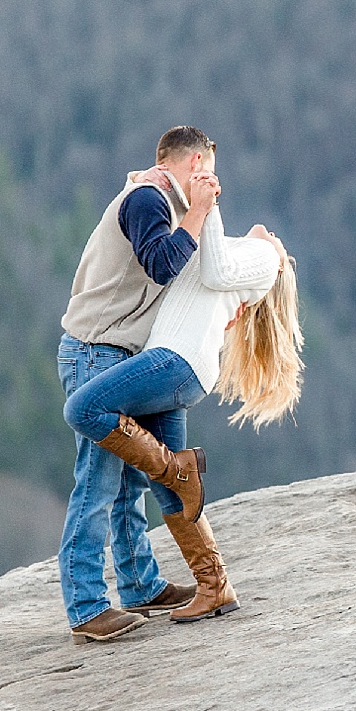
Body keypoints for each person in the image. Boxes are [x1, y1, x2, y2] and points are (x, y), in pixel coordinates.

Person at [63, 188, 301, 623]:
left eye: (277, 237)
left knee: (82, 409)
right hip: (173, 364)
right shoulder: (234, 252)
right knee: (165, 487)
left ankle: (176, 469)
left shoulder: (265, 259)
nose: (271, 231)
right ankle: (215, 586)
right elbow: (177, 257)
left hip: (174, 362)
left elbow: (215, 268)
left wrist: (205, 205)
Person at [55, 126, 220, 644]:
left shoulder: (158, 200)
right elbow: (162, 262)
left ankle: (140, 586)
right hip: (95, 352)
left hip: (119, 352)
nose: (214, 184)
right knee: (99, 481)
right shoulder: (148, 198)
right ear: (194, 163)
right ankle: (85, 606)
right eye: (210, 172)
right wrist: (196, 213)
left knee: (129, 482)